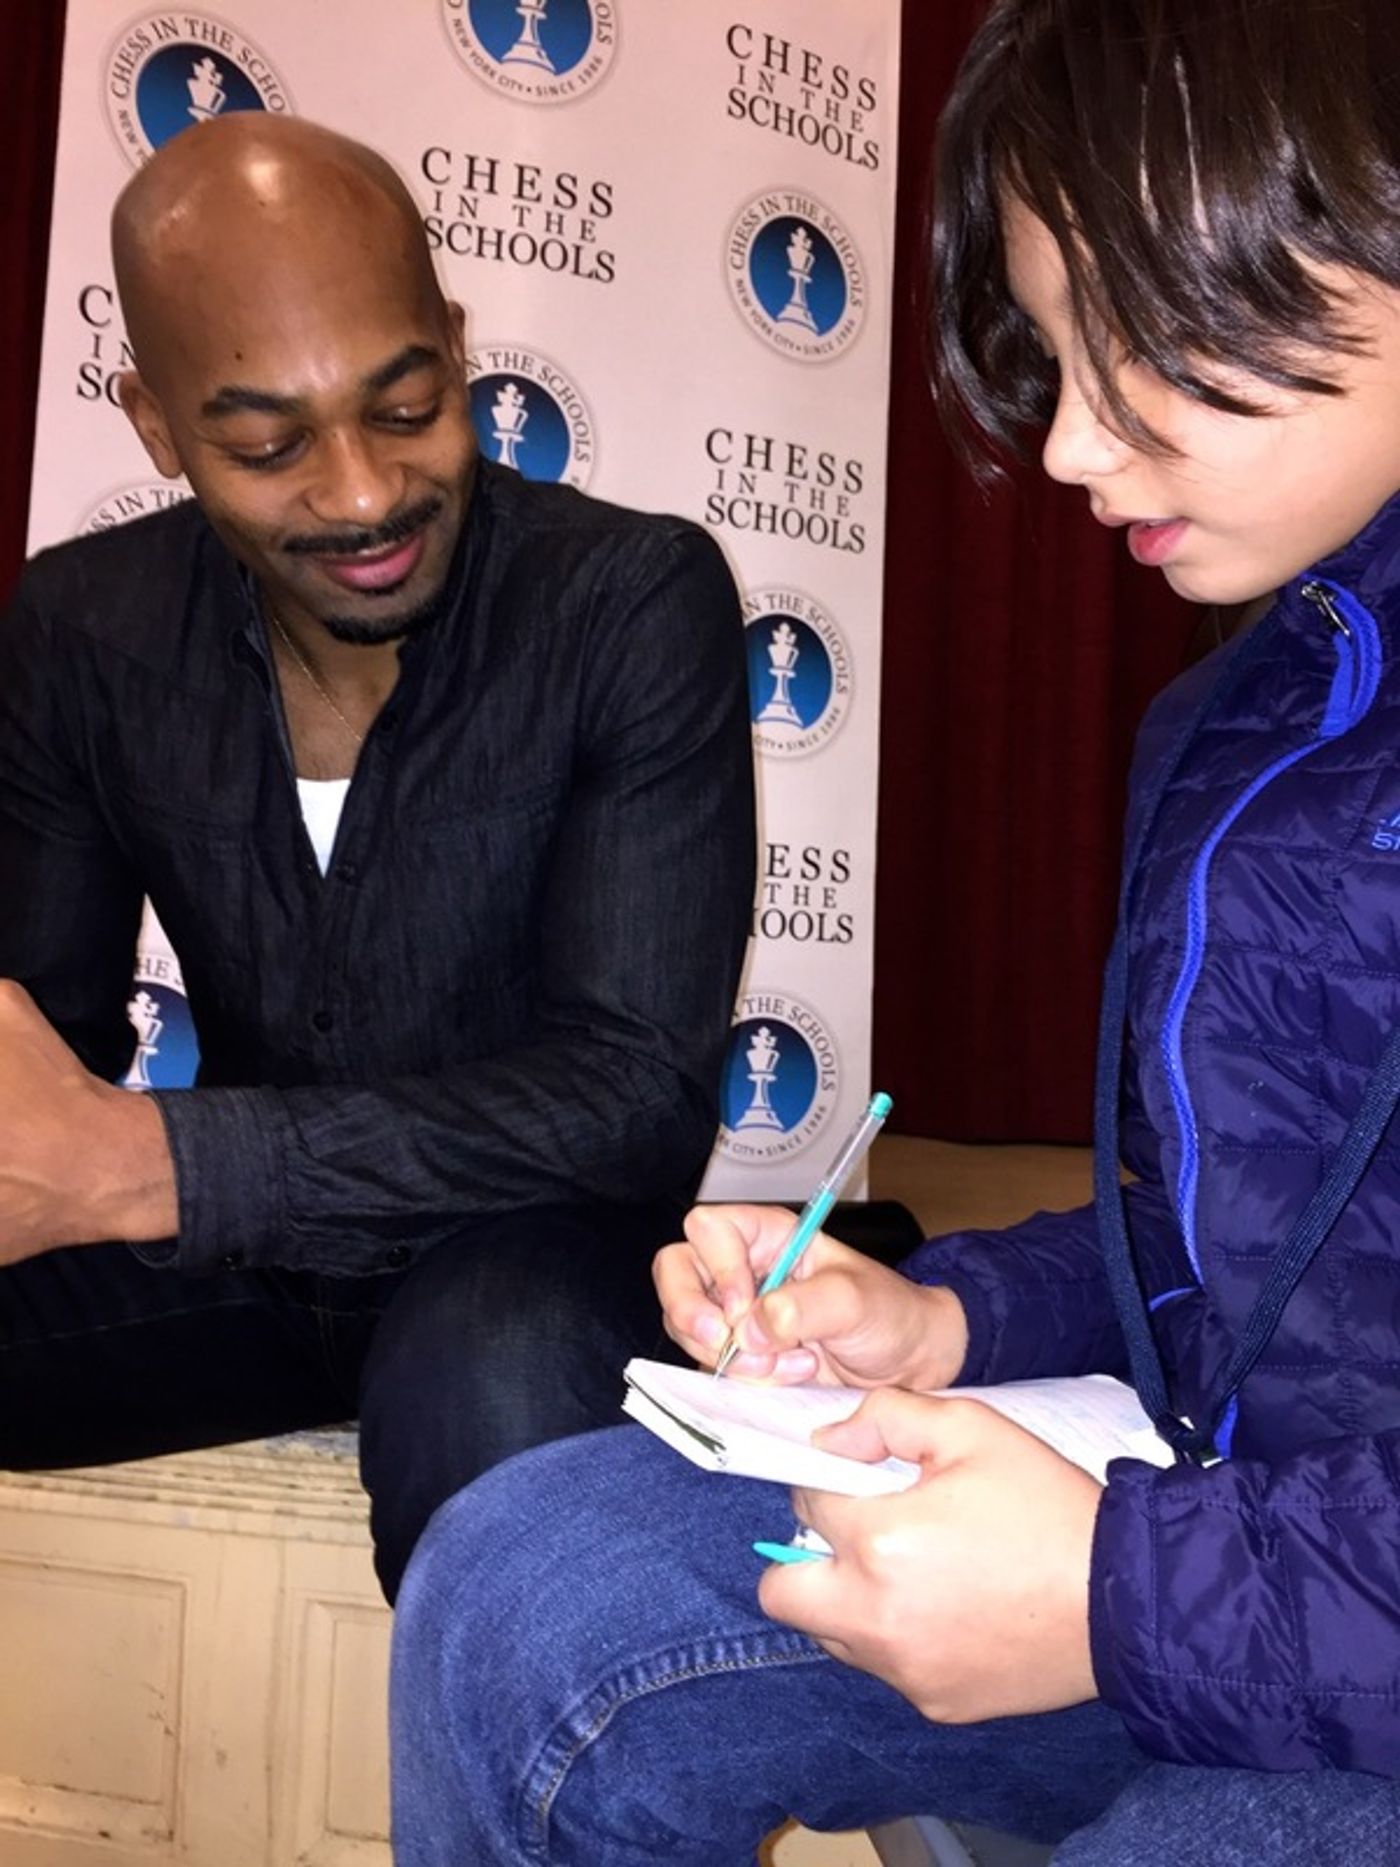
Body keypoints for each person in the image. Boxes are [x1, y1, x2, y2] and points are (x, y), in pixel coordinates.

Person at [388, 0, 1400, 1857]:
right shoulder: (1239, 715)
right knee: (524, 1599)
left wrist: (1108, 1594)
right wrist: (944, 1321)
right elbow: (1229, 1264)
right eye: (1060, 349)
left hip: (1286, 1630)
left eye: (1155, 347)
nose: (1077, 447)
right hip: (1214, 1557)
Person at [0, 113, 754, 1602]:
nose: (360, 496)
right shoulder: (78, 632)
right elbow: (42, 1042)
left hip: (530, 1253)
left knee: (487, 1399)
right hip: (239, 1276)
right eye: (267, 443)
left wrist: (165, 1165)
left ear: (457, 349)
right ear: (153, 425)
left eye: (408, 409)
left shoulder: (628, 602)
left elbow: (631, 1104)